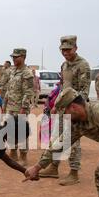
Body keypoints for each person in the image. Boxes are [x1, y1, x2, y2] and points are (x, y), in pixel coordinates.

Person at [38, 36, 91, 185]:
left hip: (74, 110)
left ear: (75, 48)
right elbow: (62, 87)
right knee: (56, 139)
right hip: (62, 108)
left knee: (72, 141)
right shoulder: (64, 65)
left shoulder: (83, 65)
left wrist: (74, 110)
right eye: (63, 50)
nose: (65, 52)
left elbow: (84, 92)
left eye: (68, 49)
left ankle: (74, 173)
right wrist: (56, 105)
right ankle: (54, 167)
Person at [4, 48, 34, 167]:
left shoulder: (27, 73)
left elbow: (28, 92)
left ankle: (23, 156)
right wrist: (5, 101)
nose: (14, 59)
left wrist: (24, 107)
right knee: (10, 129)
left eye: (16, 57)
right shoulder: (12, 70)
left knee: (21, 131)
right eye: (13, 57)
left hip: (20, 107)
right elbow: (10, 88)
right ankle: (13, 152)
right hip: (11, 106)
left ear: (23, 57)